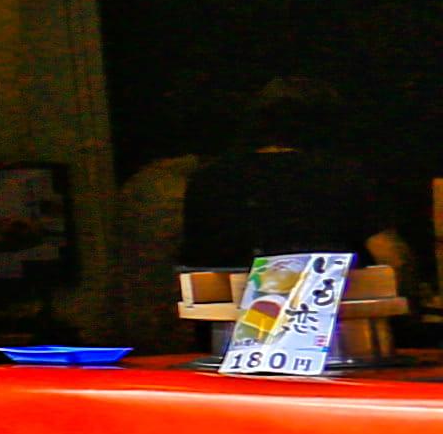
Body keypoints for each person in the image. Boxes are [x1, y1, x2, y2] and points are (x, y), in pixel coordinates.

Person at [175, 73, 410, 283]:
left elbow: (194, 266)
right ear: (326, 124)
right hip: (327, 320)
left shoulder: (209, 180)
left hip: (228, 321)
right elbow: (391, 258)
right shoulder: (343, 176)